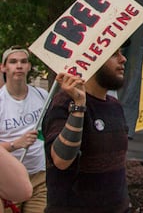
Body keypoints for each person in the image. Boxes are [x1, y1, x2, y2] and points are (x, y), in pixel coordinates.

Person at [42, 47, 130, 213]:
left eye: (121, 53)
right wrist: (79, 105)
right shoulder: (64, 103)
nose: (123, 59)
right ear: (91, 61)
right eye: (113, 54)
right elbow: (61, 160)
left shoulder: (115, 106)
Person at [0, 46, 48, 213]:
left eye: (23, 61)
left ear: (29, 67)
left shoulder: (42, 95)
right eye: (13, 62)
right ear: (3, 67)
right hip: (9, 180)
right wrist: (16, 144)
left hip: (40, 176)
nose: (19, 65)